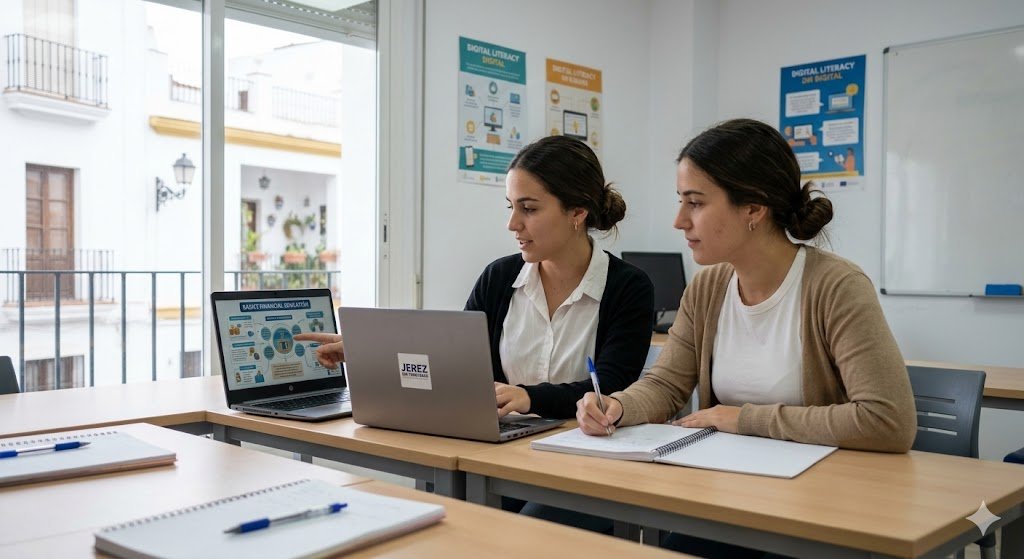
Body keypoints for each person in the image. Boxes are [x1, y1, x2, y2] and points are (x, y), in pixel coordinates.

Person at [575, 118, 916, 557]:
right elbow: (666, 384)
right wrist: (618, 406)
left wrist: (743, 419)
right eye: (681, 201)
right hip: (729, 496)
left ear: (753, 209)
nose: (679, 221)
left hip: (821, 508)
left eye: (695, 203)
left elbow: (888, 421)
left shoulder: (837, 287)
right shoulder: (707, 287)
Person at [298, 135, 654, 420]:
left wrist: (529, 398)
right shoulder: (499, 277)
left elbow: (611, 389)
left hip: (582, 451)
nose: (512, 224)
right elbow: (458, 363)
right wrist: (370, 350)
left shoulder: (628, 288)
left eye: (529, 209)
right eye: (511, 207)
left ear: (577, 212)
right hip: (503, 446)